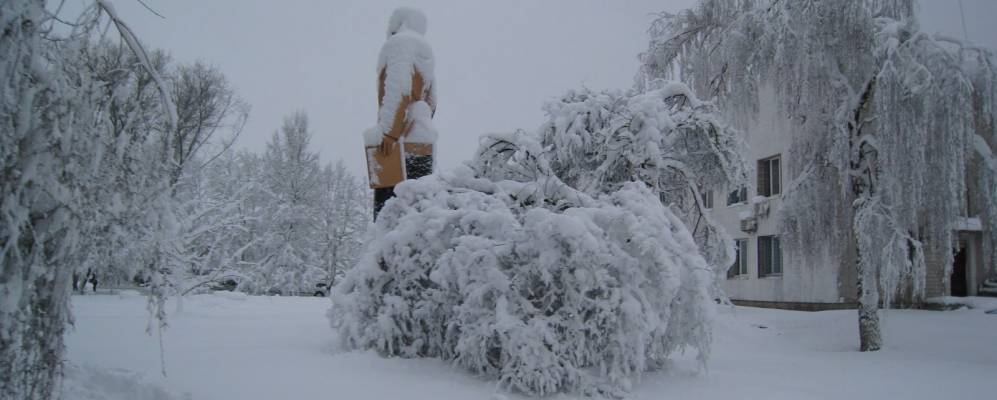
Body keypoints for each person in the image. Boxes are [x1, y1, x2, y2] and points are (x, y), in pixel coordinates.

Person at [366, 7, 438, 219]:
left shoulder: (399, 44)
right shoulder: (427, 52)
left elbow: (399, 90)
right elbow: (432, 101)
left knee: (387, 217)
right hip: (422, 141)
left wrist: (389, 131)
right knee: (414, 214)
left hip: (397, 144)